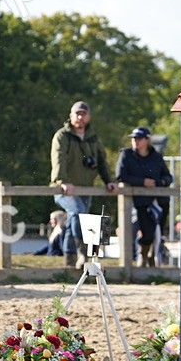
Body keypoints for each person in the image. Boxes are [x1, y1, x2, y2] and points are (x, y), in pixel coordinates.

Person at [50, 100, 116, 268]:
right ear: (70, 116)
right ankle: (83, 253)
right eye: (77, 114)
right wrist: (63, 181)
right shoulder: (62, 136)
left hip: (86, 188)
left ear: (88, 117)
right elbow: (58, 159)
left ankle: (69, 260)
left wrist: (109, 181)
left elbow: (101, 160)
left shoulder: (93, 137)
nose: (80, 117)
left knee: (74, 219)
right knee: (78, 213)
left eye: (83, 114)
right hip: (64, 188)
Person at [116, 125, 173, 267]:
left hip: (160, 201)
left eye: (139, 138)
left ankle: (153, 257)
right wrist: (142, 182)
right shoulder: (127, 155)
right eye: (134, 139)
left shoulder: (156, 156)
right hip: (140, 201)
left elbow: (168, 177)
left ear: (147, 140)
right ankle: (143, 255)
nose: (135, 141)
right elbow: (121, 176)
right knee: (147, 232)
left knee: (158, 231)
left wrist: (160, 182)